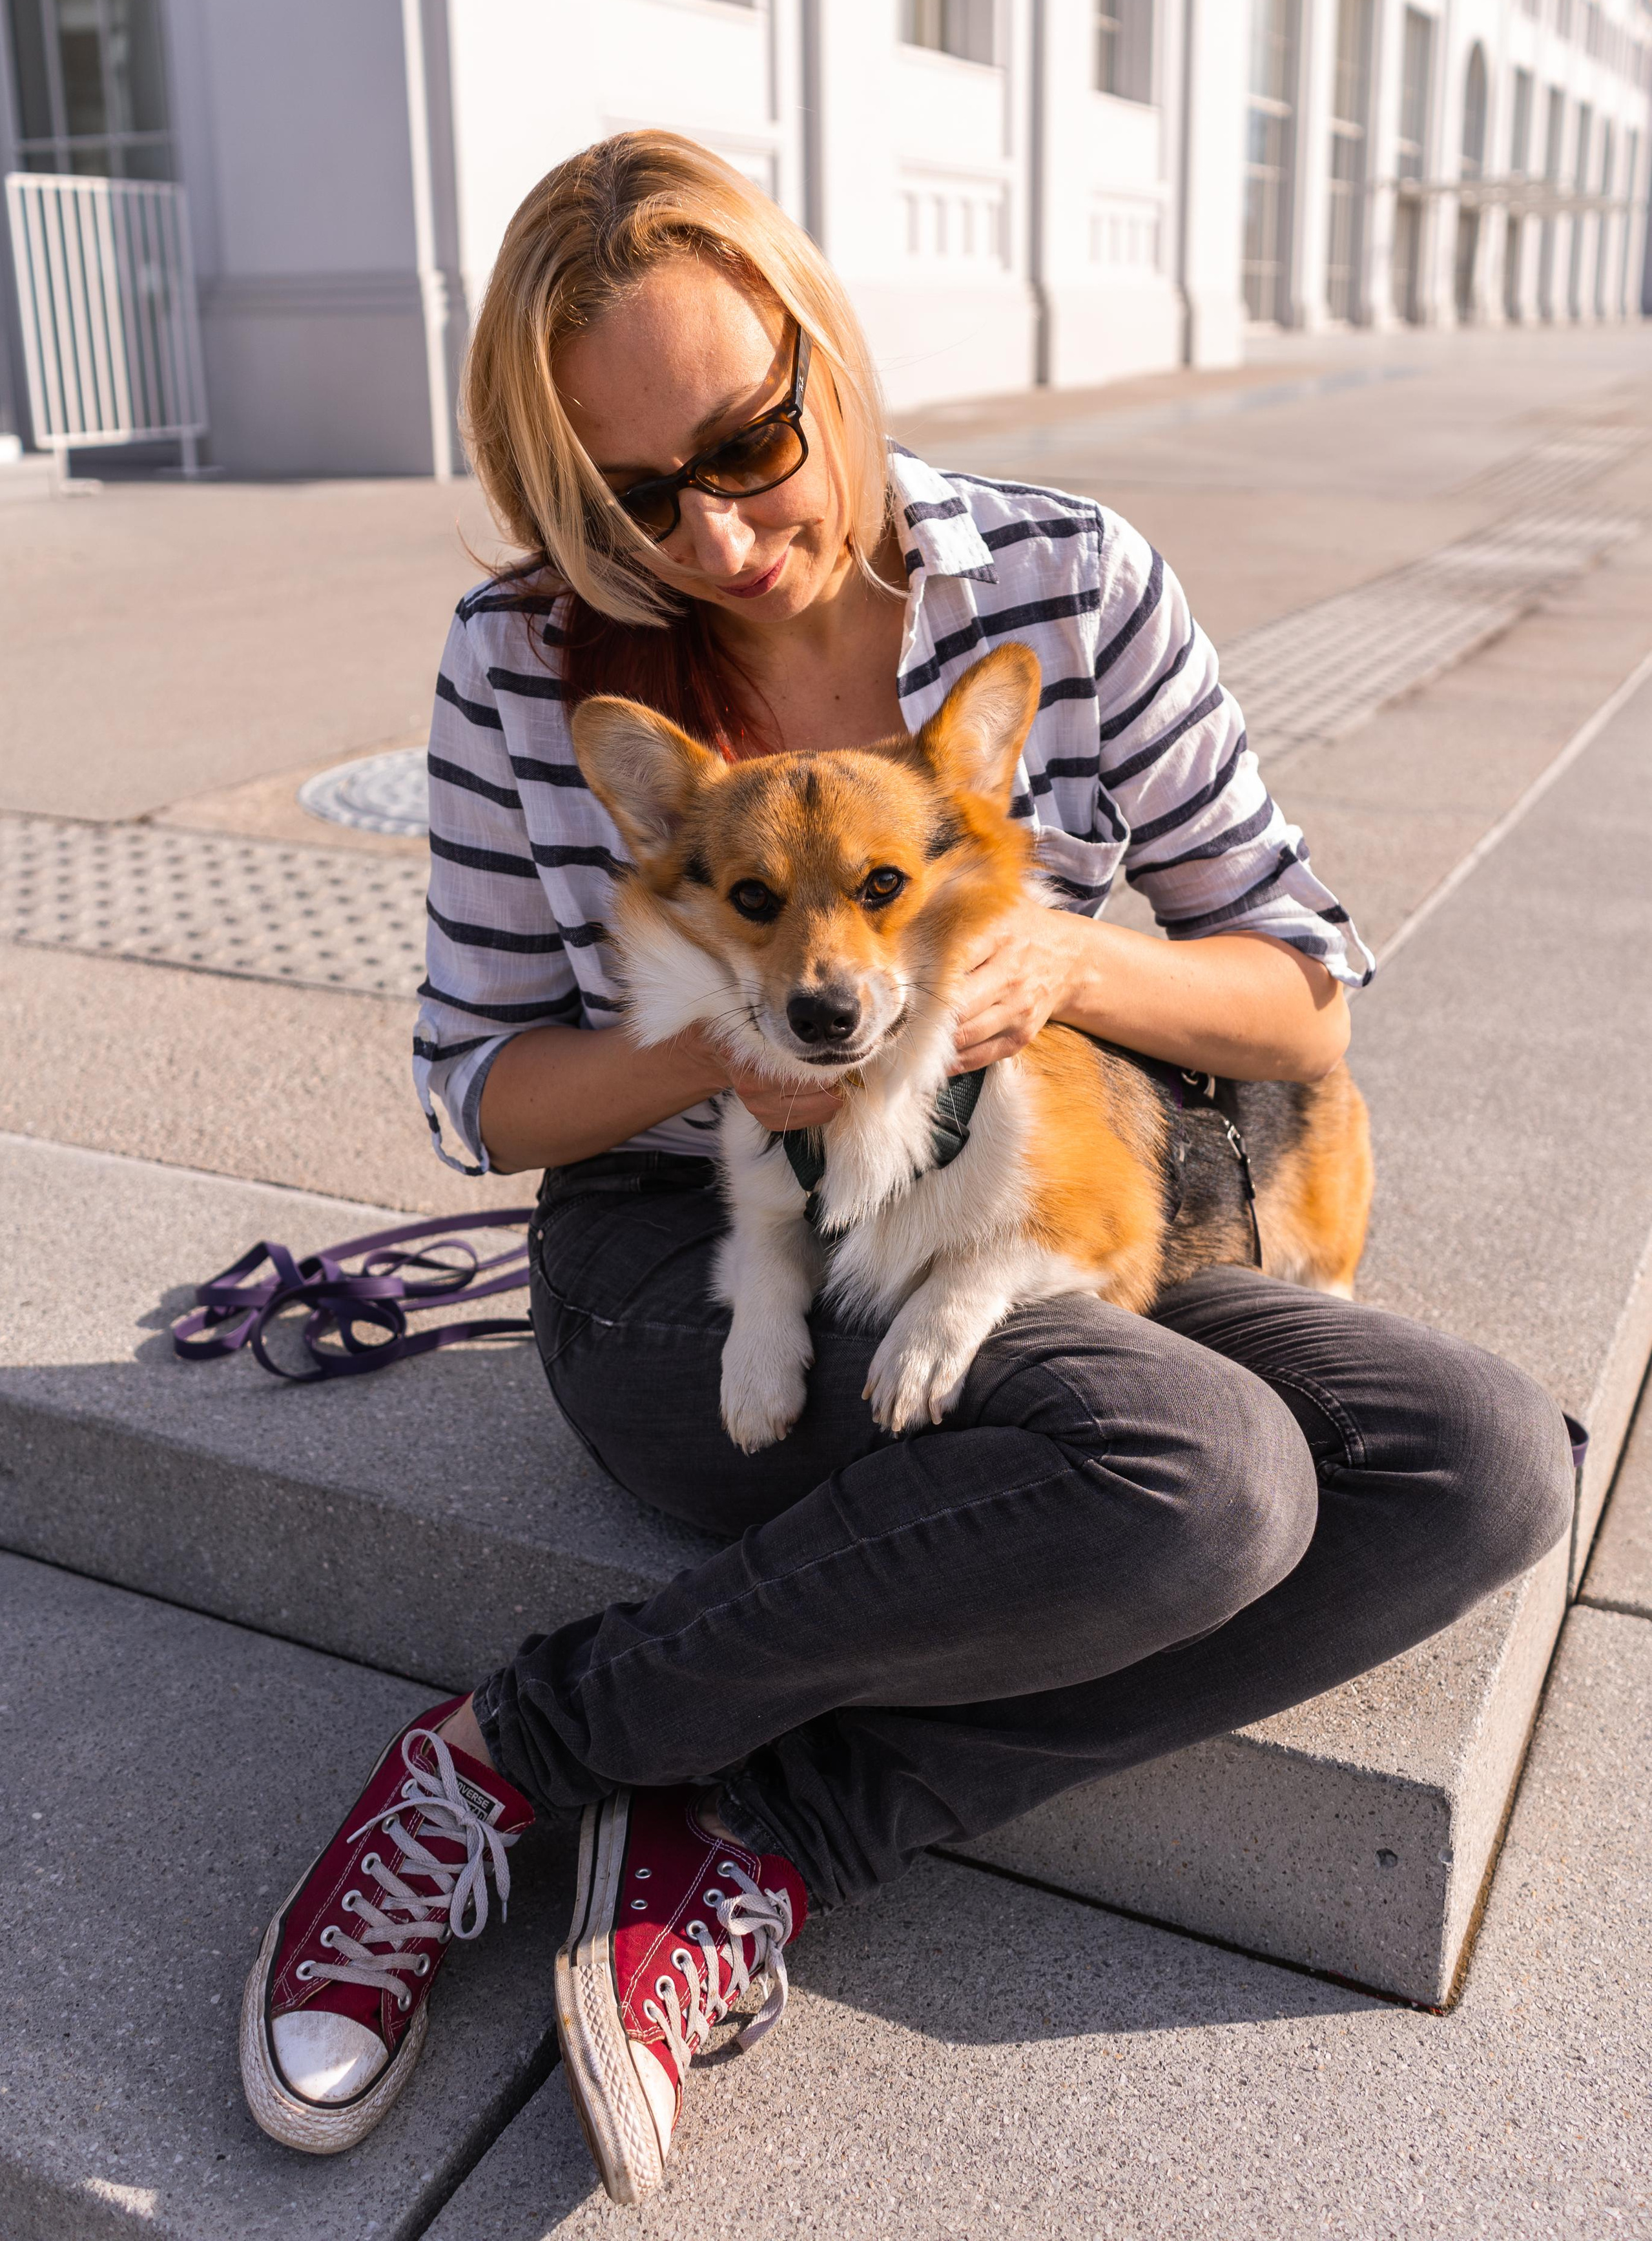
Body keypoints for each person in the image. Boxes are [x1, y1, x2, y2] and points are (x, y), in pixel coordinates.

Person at [240, 132, 1573, 2202]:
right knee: (1201, 1481)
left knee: (1480, 1460)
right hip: (684, 1253)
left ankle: (774, 1828)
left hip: (1027, 1191)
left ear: (824, 356)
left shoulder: (1070, 577)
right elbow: (483, 1090)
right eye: (632, 495)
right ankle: (507, 1758)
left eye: (752, 441)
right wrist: (726, 1043)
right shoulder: (524, 662)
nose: (720, 531)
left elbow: (1302, 992)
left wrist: (1074, 957)